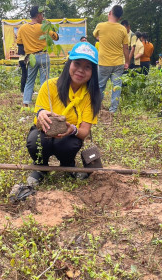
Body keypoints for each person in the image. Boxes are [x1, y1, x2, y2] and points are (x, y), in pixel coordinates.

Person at [10, 42, 101, 200]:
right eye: (77, 63)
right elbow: (38, 122)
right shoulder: (49, 86)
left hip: (69, 137)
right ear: (69, 64)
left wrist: (71, 129)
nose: (81, 70)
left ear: (93, 72)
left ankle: (67, 166)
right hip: (44, 133)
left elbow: (84, 132)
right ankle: (40, 167)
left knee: (67, 144)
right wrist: (41, 114)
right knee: (35, 141)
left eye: (87, 67)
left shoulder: (91, 96)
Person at [17, 6, 59, 107]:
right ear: (39, 15)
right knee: (45, 81)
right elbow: (56, 37)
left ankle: (26, 102)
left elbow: (19, 43)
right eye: (42, 15)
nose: (43, 17)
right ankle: (43, 104)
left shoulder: (22, 28)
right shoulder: (42, 28)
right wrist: (47, 25)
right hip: (44, 56)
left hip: (31, 57)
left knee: (30, 80)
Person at [93, 5, 129, 113]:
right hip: (118, 63)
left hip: (104, 62)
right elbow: (126, 48)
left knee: (100, 85)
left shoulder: (100, 26)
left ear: (110, 13)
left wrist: (103, 38)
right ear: (119, 18)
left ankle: (97, 107)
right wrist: (127, 61)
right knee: (116, 86)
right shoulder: (123, 29)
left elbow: (96, 36)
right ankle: (113, 110)